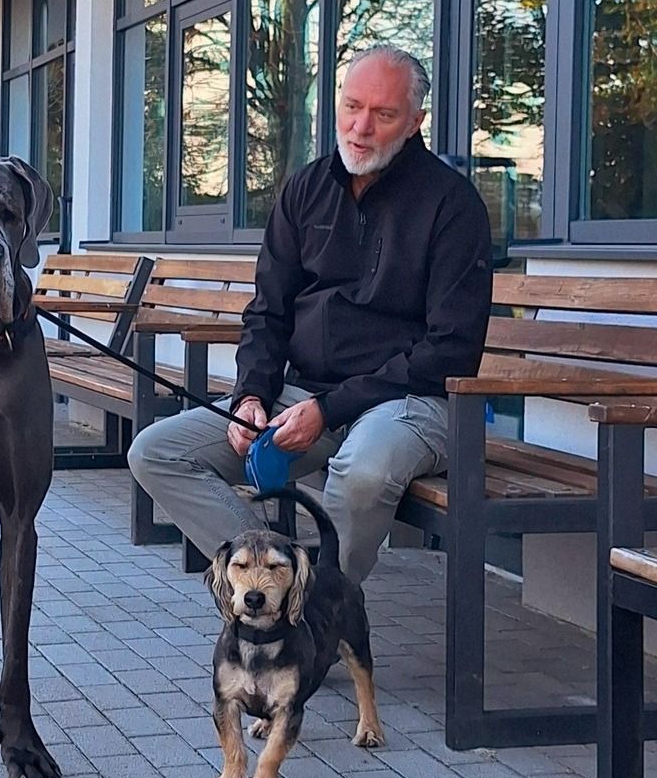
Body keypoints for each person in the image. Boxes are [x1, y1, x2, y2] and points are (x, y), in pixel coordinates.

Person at [127, 45, 493, 586]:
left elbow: (452, 349)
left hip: (411, 402)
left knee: (361, 473)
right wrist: (251, 395)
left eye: (383, 114)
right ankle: (278, 589)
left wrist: (329, 408)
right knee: (157, 451)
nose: (361, 127)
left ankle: (320, 617)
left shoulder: (453, 205)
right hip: (304, 397)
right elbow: (268, 311)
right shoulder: (306, 188)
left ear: (416, 122)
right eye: (351, 106)